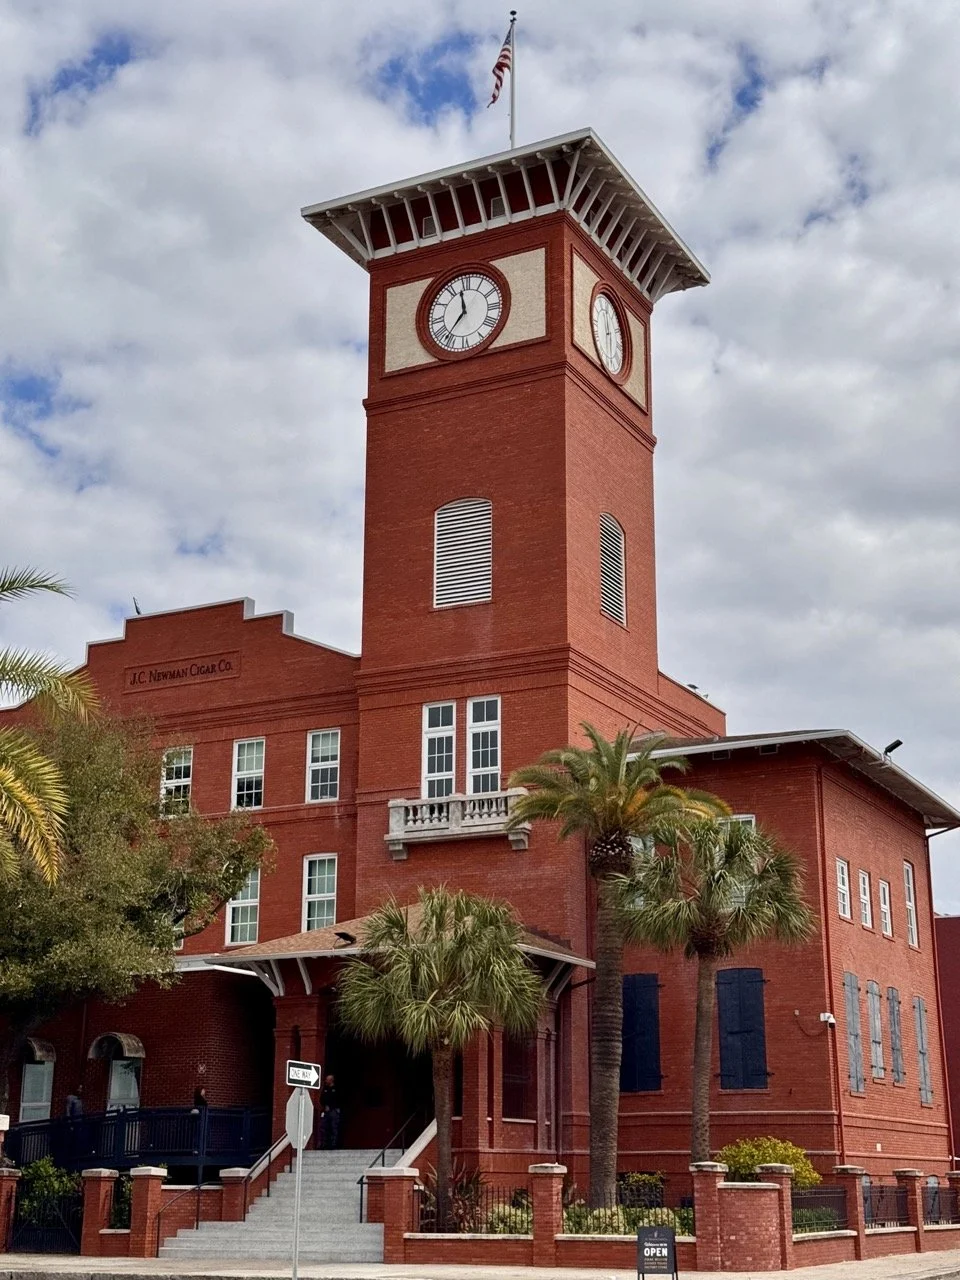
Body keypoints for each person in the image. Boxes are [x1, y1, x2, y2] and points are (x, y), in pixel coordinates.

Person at [319, 1074, 340, 1149]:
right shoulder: (325, 1089)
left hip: (334, 1111)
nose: (326, 1081)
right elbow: (321, 1099)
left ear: (331, 1080)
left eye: (327, 1079)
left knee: (334, 1127)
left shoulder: (336, 1089)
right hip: (326, 1111)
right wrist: (325, 1106)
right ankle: (324, 1144)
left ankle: (333, 1144)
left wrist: (331, 1107)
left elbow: (338, 1100)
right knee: (323, 1127)